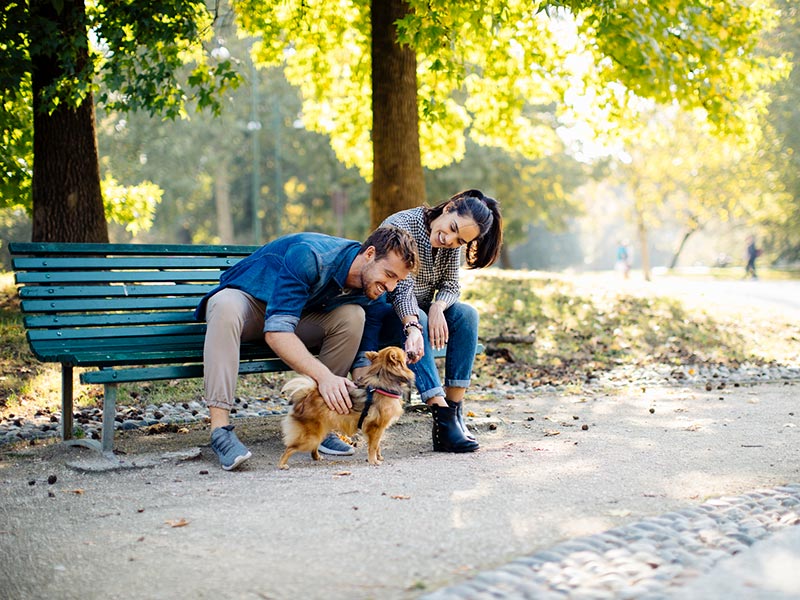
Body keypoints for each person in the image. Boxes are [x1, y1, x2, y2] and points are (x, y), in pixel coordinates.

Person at [195, 227, 419, 470]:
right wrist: (324, 377)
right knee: (224, 305)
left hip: (298, 315)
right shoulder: (311, 256)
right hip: (251, 306)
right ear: (369, 254)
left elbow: (364, 356)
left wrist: (371, 397)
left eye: (397, 280)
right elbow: (277, 331)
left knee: (353, 316)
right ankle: (220, 431)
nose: (391, 286)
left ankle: (320, 417)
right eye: (388, 274)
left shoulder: (373, 288)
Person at [354, 189, 503, 453]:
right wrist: (418, 321)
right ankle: (442, 417)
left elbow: (451, 285)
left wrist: (438, 306)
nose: (450, 240)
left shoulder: (450, 245)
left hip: (419, 315)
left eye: (460, 241)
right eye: (453, 229)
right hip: (383, 313)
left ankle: (454, 413)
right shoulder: (402, 225)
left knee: (467, 314)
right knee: (420, 315)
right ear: (449, 208)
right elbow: (401, 290)